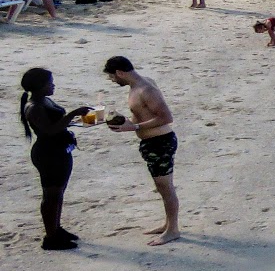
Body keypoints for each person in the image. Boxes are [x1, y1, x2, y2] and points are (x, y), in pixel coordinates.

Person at [104, 56, 180, 244]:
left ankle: (173, 230)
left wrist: (135, 127)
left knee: (166, 187)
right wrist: (124, 122)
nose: (113, 81)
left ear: (120, 72)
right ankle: (167, 224)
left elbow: (166, 117)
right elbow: (143, 115)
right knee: (162, 187)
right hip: (152, 143)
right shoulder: (137, 86)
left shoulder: (146, 89)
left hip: (160, 142)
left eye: (112, 77)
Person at [20, 67, 92, 249]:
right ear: (40, 86)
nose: (53, 85)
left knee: (58, 193)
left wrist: (77, 120)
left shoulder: (43, 100)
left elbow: (56, 124)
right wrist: (73, 114)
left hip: (57, 152)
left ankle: (55, 228)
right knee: (51, 194)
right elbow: (50, 130)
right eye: (49, 83)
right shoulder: (34, 107)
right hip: (48, 154)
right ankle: (50, 237)